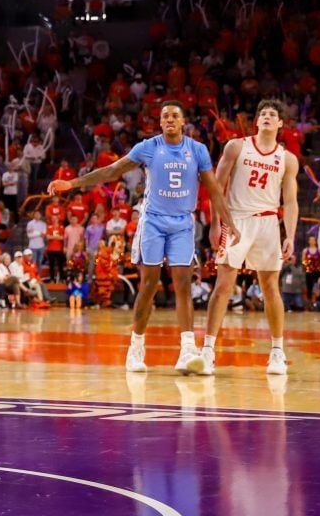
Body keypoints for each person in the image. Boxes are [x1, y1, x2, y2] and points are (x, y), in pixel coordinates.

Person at [49, 101, 238, 375]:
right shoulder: (148, 147)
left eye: (175, 115)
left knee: (183, 285)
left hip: (183, 223)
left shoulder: (197, 150)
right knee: (148, 285)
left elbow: (214, 190)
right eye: (165, 117)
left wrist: (228, 224)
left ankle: (187, 351)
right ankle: (136, 347)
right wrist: (73, 184)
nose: (170, 119)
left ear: (183, 122)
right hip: (152, 223)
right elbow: (112, 171)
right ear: (160, 123)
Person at [202, 100, 299, 376]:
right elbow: (216, 187)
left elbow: (290, 202)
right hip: (236, 221)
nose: (267, 117)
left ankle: (277, 352)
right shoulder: (236, 146)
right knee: (223, 286)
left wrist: (289, 234)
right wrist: (215, 224)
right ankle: (208, 350)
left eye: (273, 115)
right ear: (257, 121)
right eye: (263, 114)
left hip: (268, 222)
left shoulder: (287, 159)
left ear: (280, 123)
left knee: (271, 288)